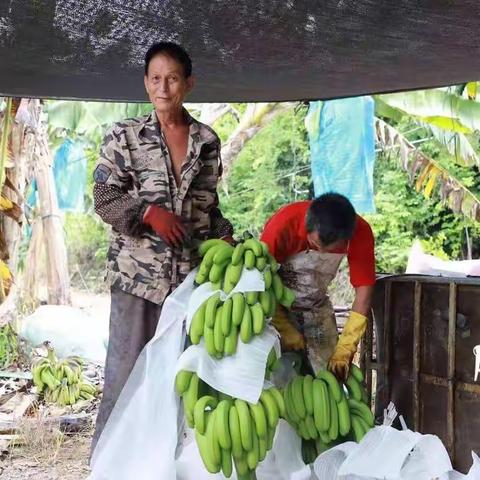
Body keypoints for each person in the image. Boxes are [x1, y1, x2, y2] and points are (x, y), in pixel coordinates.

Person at [91, 42, 233, 452]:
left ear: (188, 83)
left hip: (188, 282)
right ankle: (107, 463)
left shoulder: (206, 141)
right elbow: (104, 198)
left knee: (178, 376)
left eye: (172, 78)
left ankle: (162, 463)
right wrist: (150, 213)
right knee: (124, 375)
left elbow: (209, 207)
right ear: (146, 84)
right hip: (137, 281)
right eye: (155, 79)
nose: (163, 87)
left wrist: (224, 235)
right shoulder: (124, 136)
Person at [260, 193, 375, 380]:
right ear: (307, 225)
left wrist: (346, 347)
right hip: (273, 305)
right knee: (278, 378)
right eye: (314, 245)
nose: (320, 253)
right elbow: (261, 281)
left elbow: (364, 293)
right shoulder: (282, 224)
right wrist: (283, 325)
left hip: (317, 307)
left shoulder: (360, 232)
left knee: (328, 377)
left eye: (328, 252)